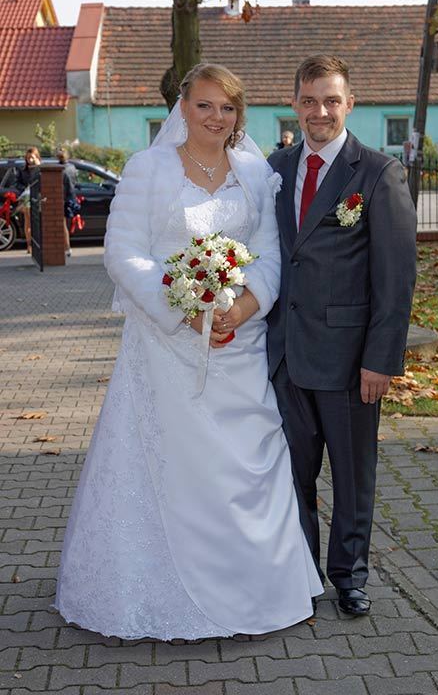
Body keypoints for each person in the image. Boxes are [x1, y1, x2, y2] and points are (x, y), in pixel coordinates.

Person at [55, 63, 322, 641]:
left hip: (239, 345)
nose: (216, 118)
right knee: (171, 464)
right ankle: (160, 590)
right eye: (205, 105)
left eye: (227, 108)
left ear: (238, 115)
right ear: (184, 107)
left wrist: (242, 308)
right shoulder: (148, 169)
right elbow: (123, 253)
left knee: (251, 461)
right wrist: (186, 310)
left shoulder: (255, 175)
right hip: (165, 346)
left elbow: (269, 256)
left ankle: (259, 589)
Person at [267, 55, 417, 618]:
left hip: (351, 361)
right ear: (294, 104)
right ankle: (302, 572)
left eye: (331, 100)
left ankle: (350, 576)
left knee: (353, 476)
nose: (320, 111)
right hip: (284, 355)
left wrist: (381, 358)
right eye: (309, 100)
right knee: (292, 475)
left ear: (349, 104)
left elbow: (396, 278)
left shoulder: (377, 173)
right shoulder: (275, 168)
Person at [15, 147, 41, 253]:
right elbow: (17, 183)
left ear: (37, 157)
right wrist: (25, 188)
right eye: (28, 158)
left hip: (38, 198)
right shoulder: (23, 170)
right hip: (27, 198)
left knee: (36, 222)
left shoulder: (40, 168)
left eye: (32, 157)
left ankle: (36, 244)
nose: (30, 160)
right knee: (28, 222)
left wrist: (38, 166)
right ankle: (29, 245)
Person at [57, 147, 77, 257]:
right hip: (70, 197)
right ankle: (67, 247)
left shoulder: (59, 169)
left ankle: (67, 247)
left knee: (62, 224)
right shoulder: (72, 167)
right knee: (65, 224)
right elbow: (74, 182)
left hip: (62, 198)